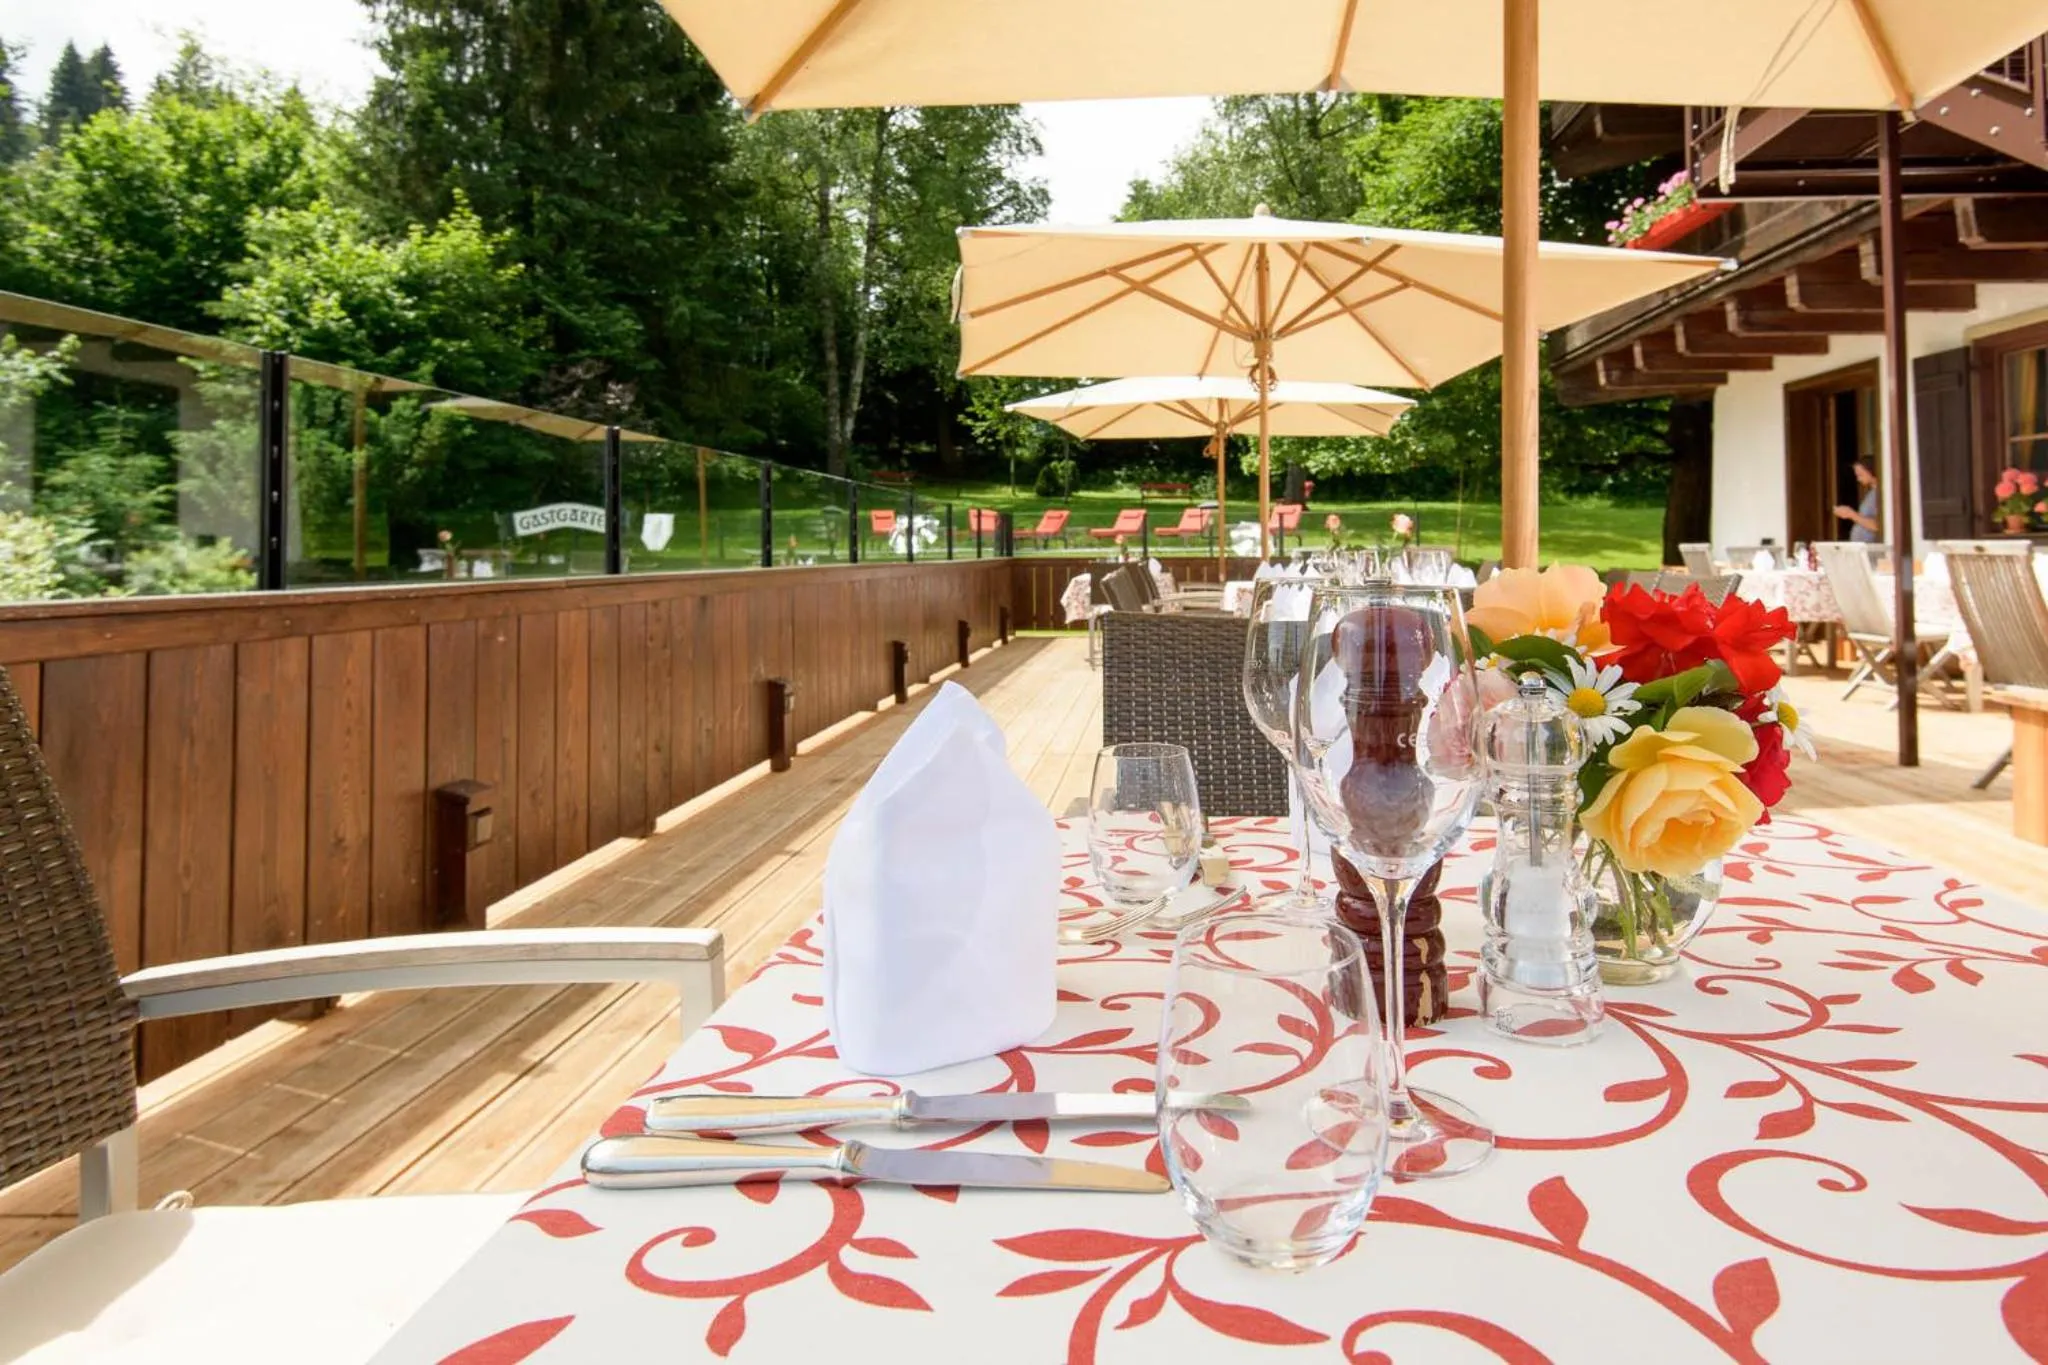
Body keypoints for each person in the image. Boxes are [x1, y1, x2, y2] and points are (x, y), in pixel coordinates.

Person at [1833, 460, 1881, 543]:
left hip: (1871, 547)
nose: (1858, 479)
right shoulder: (1871, 493)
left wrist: (1851, 514)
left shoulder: (1880, 494)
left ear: (1870, 471)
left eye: (1860, 475)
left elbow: (1878, 526)